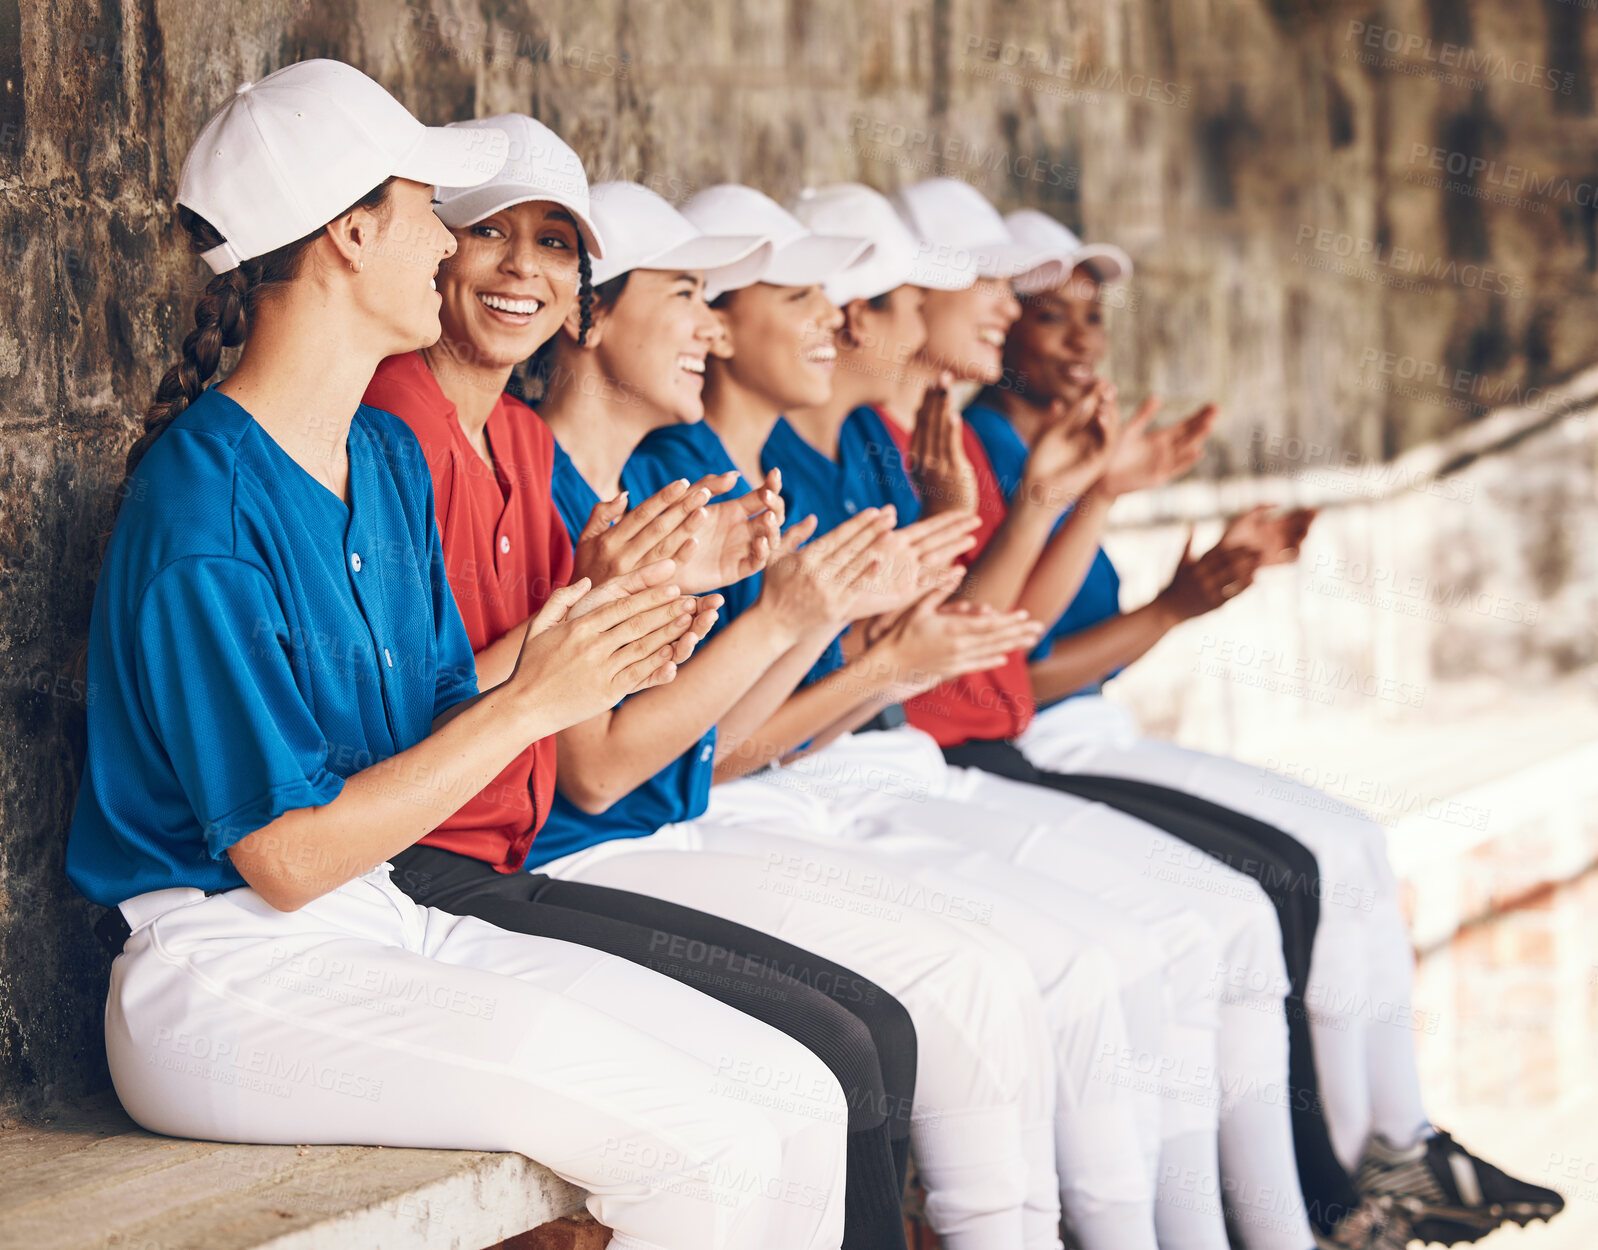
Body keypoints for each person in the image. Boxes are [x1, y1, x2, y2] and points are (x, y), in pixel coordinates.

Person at [64, 60, 850, 1250]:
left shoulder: (371, 463)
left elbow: (444, 698)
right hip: (228, 974)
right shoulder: (201, 509)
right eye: (430, 208)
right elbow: (280, 856)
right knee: (704, 1141)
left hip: (366, 921)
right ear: (348, 231)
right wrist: (538, 699)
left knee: (788, 1088)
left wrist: (595, 615)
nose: (447, 238)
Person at [478, 170, 1070, 1250]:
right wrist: (809, 623)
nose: (706, 327)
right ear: (591, 316)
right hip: (582, 851)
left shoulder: (640, 482)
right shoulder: (565, 480)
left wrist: (824, 623)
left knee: (975, 978)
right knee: (892, 1021)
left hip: (666, 824)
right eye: (688, 297)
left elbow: (708, 746)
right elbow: (603, 772)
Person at [362, 118, 921, 1250]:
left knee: (861, 1038)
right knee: (813, 1069)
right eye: (488, 234)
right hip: (433, 865)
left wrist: (700, 603)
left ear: (577, 294)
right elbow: (576, 757)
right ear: (430, 254)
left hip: (504, 855)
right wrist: (743, 614)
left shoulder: (515, 440)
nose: (522, 268)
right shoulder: (387, 434)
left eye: (555, 246)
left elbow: (634, 722)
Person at [969, 205, 1568, 1249]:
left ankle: (1393, 1147)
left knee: (1350, 841)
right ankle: (1332, 1189)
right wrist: (1172, 601)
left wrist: (1191, 580)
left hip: (1082, 724)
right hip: (1023, 750)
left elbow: (1063, 655)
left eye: (1091, 318)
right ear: (993, 327)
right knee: (1267, 891)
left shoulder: (1059, 446)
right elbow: (1003, 680)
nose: (1078, 339)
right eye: (1046, 316)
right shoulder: (977, 447)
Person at [753, 178, 1330, 1250]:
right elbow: (943, 677)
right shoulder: (814, 450)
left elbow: (960, 648)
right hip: (868, 772)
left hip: (908, 758)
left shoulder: (891, 442)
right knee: (1092, 962)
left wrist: (1061, 503)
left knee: (1230, 913)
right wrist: (1081, 538)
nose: (998, 311)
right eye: (958, 283)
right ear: (873, 309)